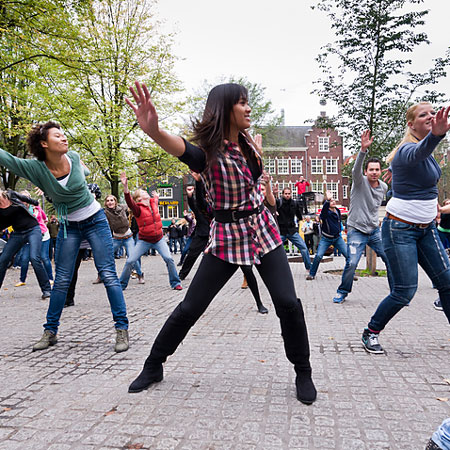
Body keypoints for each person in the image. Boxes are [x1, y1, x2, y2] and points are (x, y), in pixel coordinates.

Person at [125, 81, 316, 404]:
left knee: (288, 303)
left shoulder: (249, 144)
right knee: (191, 307)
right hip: (227, 238)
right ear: (225, 109)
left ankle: (303, 370)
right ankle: (154, 364)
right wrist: (154, 131)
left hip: (263, 231)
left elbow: (256, 185)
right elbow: (177, 146)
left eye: (247, 102)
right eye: (242, 103)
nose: (249, 108)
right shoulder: (205, 155)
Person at [0, 121, 129, 353]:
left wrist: (89, 182)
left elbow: (84, 171)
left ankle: (122, 329)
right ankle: (50, 331)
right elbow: (9, 160)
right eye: (57, 136)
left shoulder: (75, 158)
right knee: (61, 280)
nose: (64, 139)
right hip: (69, 226)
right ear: (44, 143)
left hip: (95, 221)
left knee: (109, 275)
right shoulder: (37, 169)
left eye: (63, 135)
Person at [361, 103, 450, 354]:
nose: (431, 117)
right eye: (424, 115)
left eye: (433, 113)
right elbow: (415, 154)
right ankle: (371, 331)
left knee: (447, 282)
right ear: (411, 125)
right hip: (400, 229)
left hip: (426, 229)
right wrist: (437, 134)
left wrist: (432, 203)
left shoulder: (425, 152)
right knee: (404, 291)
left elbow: (425, 178)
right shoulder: (407, 150)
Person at [332, 130, 392, 303]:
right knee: (352, 262)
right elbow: (356, 169)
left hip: (374, 231)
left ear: (380, 171)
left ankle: (397, 292)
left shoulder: (383, 187)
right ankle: (342, 291)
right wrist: (363, 150)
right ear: (366, 172)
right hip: (356, 230)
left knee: (390, 258)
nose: (374, 172)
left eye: (377, 170)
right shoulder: (359, 182)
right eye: (370, 170)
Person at [119, 172, 182, 291]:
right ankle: (121, 284)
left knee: (169, 259)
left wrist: (157, 195)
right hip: (144, 240)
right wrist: (125, 187)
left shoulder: (153, 203)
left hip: (159, 239)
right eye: (143, 192)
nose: (146, 192)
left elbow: (156, 200)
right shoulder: (137, 209)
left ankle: (175, 283)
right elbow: (129, 201)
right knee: (130, 261)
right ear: (139, 198)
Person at [0, 189, 51, 298]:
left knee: (34, 258)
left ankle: (47, 290)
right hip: (18, 233)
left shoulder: (10, 194)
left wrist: (35, 202)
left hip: (33, 229)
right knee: (3, 259)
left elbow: (24, 198)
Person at [307, 190, 348, 280]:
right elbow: (323, 211)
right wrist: (327, 200)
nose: (333, 202)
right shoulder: (325, 213)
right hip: (326, 238)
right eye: (330, 201)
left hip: (337, 238)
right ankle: (312, 274)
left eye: (333, 200)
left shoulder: (337, 211)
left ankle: (349, 275)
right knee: (318, 256)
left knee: (348, 256)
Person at [16, 191, 54, 287]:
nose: (23, 200)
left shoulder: (37, 208)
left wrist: (41, 229)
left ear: (28, 198)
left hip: (42, 235)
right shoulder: (19, 209)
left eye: (25, 197)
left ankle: (50, 278)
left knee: (44, 257)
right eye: (21, 197)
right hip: (27, 236)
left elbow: (45, 219)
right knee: (24, 258)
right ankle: (22, 279)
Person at [104, 194, 144, 284]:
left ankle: (140, 274)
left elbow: (132, 205)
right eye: (108, 201)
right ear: (106, 203)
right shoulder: (105, 212)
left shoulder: (122, 207)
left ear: (115, 201)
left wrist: (138, 200)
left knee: (132, 257)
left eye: (112, 200)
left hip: (128, 237)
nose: (110, 202)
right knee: (106, 255)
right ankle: (102, 275)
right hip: (116, 238)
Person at [276, 187, 311, 271]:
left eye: (289, 194)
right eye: (286, 194)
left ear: (291, 194)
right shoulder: (278, 202)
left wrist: (302, 220)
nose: (287, 195)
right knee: (275, 250)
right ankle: (276, 269)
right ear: (283, 194)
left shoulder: (295, 203)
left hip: (292, 231)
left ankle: (309, 268)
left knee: (303, 248)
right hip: (281, 231)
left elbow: (299, 216)